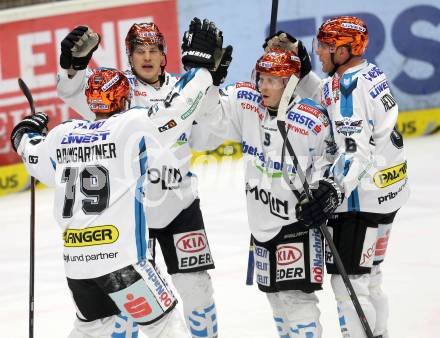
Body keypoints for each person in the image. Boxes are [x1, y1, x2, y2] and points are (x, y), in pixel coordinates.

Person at [10, 64, 221, 337]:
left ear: (89, 100)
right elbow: (177, 111)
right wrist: (202, 74)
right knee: (164, 324)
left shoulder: (62, 135)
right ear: (124, 100)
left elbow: (36, 159)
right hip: (123, 264)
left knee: (91, 328)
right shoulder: (130, 124)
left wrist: (25, 134)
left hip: (78, 265)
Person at [56, 19, 231, 338]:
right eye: (139, 51)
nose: (147, 57)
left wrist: (212, 85)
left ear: (165, 55)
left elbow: (211, 137)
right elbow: (71, 92)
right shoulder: (115, 91)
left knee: (197, 292)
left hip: (182, 207)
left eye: (154, 50)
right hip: (131, 213)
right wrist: (74, 67)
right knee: (131, 303)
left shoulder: (185, 86)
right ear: (129, 55)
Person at [182, 18, 340, 335]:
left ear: (292, 83)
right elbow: (213, 120)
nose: (264, 86)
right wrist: (208, 78)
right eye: (262, 78)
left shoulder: (310, 118)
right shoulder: (247, 103)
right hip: (262, 226)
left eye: (273, 80)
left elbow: (334, 158)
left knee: (297, 303)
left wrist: (329, 188)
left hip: (298, 223)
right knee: (278, 304)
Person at [265, 16, 410, 338]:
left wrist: (331, 188)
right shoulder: (367, 73)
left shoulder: (349, 88)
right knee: (370, 276)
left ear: (344, 50)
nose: (319, 50)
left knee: (349, 284)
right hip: (390, 190)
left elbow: (353, 151)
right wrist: (302, 69)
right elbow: (330, 99)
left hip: (362, 199)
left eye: (326, 47)